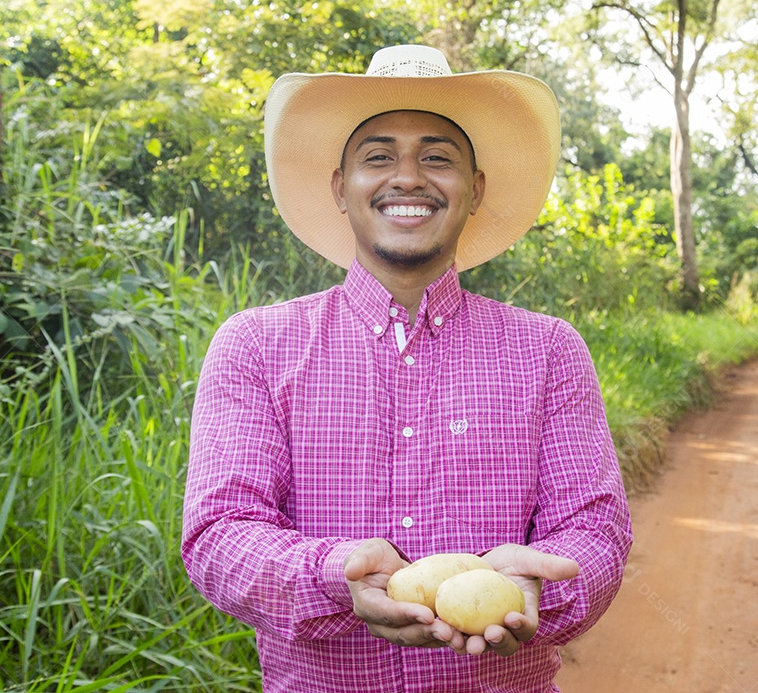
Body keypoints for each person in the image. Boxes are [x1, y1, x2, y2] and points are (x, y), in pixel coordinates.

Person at [182, 44, 632, 692]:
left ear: (474, 190)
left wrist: (533, 589)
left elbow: (596, 529)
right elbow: (219, 534)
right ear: (342, 188)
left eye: (438, 158)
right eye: (379, 156)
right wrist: (333, 576)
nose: (409, 178)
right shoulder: (255, 344)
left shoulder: (550, 350)